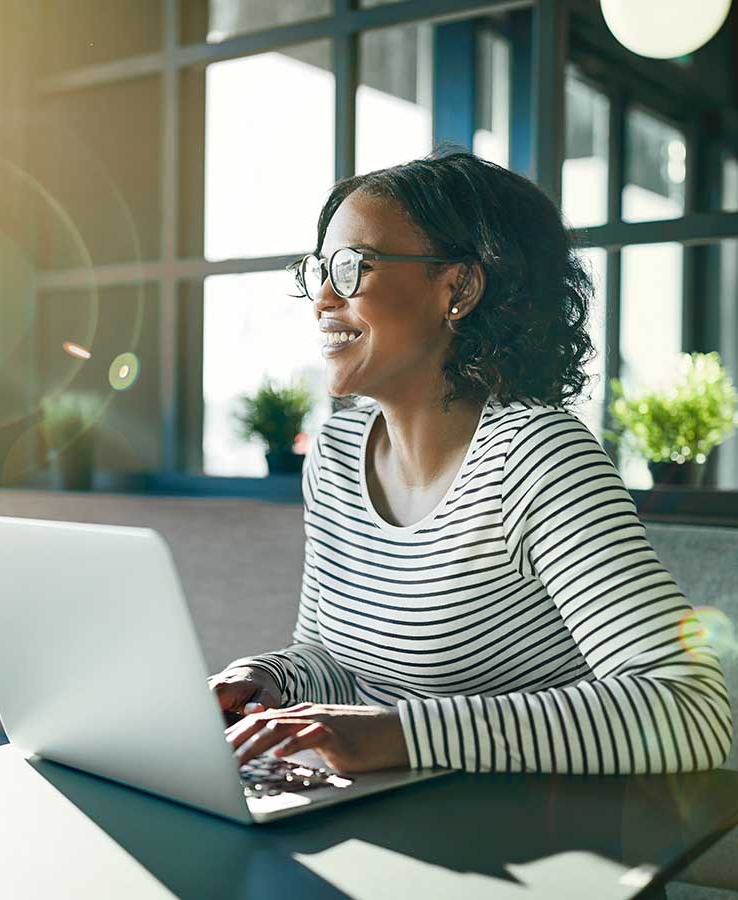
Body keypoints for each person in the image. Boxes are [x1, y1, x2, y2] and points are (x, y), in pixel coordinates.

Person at [207, 147, 733, 775]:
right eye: (318, 269)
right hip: (383, 817)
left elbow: (691, 709)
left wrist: (402, 734)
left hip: (538, 843)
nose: (322, 297)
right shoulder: (336, 453)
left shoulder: (538, 457)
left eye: (351, 268)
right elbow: (332, 656)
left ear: (457, 288)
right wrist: (269, 681)